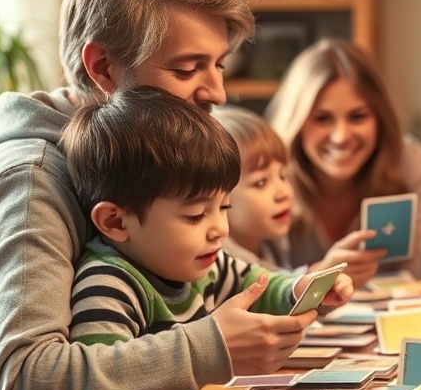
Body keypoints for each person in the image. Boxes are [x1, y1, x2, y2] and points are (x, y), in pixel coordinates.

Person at [0, 0, 318, 390]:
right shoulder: (32, 180)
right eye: (188, 68)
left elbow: (232, 271)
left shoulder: (141, 158)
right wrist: (207, 346)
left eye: (218, 65)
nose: (217, 92)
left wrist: (296, 289)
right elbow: (29, 384)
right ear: (103, 68)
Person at [61, 88, 351, 343]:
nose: (220, 230)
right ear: (115, 221)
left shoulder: (211, 266)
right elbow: (103, 377)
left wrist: (303, 288)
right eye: (196, 215)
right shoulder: (108, 286)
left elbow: (264, 287)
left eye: (224, 208)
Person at [267, 39, 421, 284]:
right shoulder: (264, 176)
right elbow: (243, 280)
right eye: (322, 119)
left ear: (380, 118)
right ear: (297, 123)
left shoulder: (412, 163)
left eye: (358, 117)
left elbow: (420, 273)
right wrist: (314, 280)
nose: (341, 137)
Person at [214, 104, 295, 269]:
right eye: (261, 183)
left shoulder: (273, 244)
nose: (283, 193)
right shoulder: (223, 264)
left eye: (282, 176)